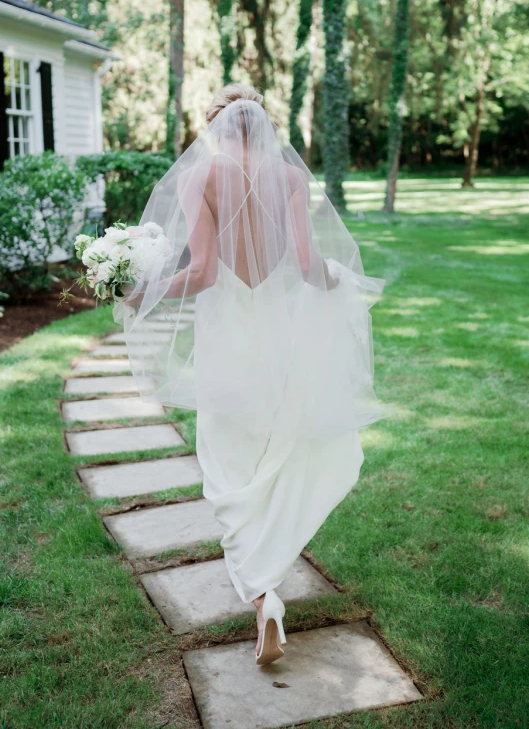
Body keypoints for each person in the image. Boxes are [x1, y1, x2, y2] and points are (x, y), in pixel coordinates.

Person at [116, 83, 390, 665]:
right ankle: (266, 584)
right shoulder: (289, 179)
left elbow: (205, 273)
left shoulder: (201, 177)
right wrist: (340, 283)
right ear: (260, 126)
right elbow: (311, 267)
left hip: (228, 337)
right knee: (273, 451)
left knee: (226, 466)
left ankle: (265, 595)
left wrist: (145, 292)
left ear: (216, 126)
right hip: (279, 335)